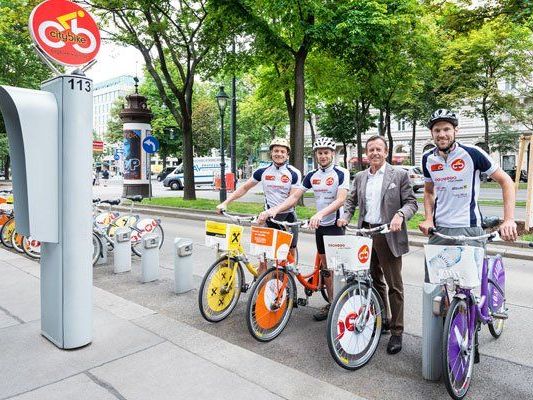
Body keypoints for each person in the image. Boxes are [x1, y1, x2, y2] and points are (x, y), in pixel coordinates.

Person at [337, 135, 418, 355]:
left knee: (395, 285)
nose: (374, 153)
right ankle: (383, 319)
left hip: (388, 234)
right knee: (373, 280)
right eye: (370, 149)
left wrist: (400, 215)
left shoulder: (399, 174)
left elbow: (412, 202)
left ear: (386, 151)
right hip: (366, 234)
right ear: (366, 153)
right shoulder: (361, 176)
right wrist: (346, 215)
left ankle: (397, 332)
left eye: (378, 149)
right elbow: (351, 200)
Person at [258, 137, 350, 321]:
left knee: (333, 269)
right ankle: (331, 303)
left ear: (332, 154)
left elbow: (341, 199)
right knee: (325, 269)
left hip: (334, 225)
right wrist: (273, 210)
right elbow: (294, 198)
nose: (322, 156)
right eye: (319, 153)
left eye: (326, 153)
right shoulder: (312, 176)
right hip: (320, 226)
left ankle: (339, 305)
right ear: (315, 155)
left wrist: (320, 214)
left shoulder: (341, 172)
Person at [419, 109, 517, 276]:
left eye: (446, 129)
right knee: (434, 289)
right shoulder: (427, 158)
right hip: (439, 230)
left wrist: (509, 219)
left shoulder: (472, 153)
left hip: (469, 229)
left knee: (471, 287)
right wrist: (428, 218)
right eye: (437, 130)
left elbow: (506, 181)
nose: (442, 134)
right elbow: (428, 192)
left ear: (456, 131)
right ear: (431, 133)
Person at [216, 138, 302, 274]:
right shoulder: (263, 170)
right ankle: (261, 288)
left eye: (282, 151)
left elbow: (293, 199)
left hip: (288, 218)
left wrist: (273, 211)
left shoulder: (293, 173)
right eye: (275, 151)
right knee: (263, 257)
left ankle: (288, 285)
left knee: (289, 254)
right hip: (267, 219)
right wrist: (226, 202)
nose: (279, 154)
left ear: (287, 155)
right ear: (271, 153)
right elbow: (244, 187)